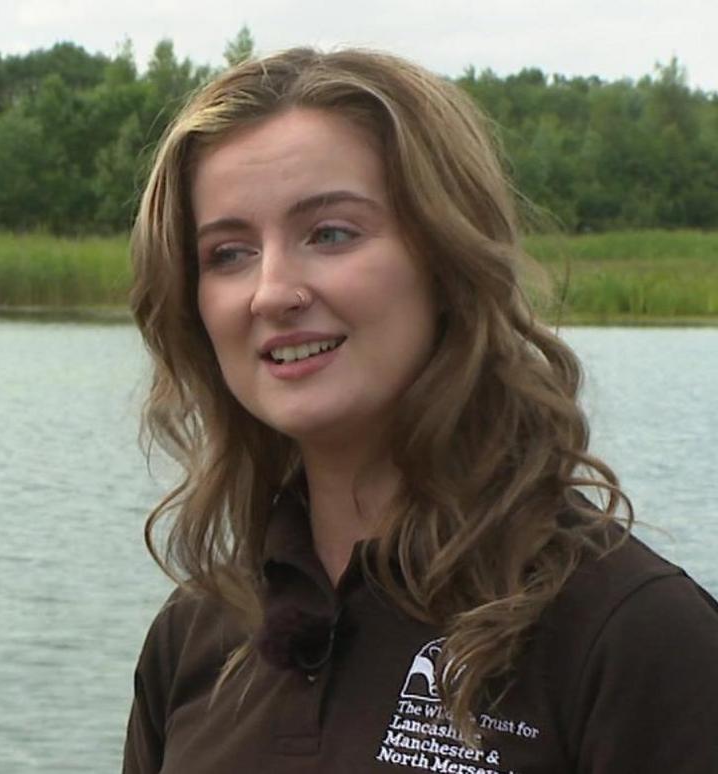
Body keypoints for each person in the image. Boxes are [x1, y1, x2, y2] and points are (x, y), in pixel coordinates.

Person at [122, 47, 718, 773]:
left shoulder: (629, 634)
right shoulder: (195, 638)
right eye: (229, 252)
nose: (272, 291)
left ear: (446, 258)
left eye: (330, 234)